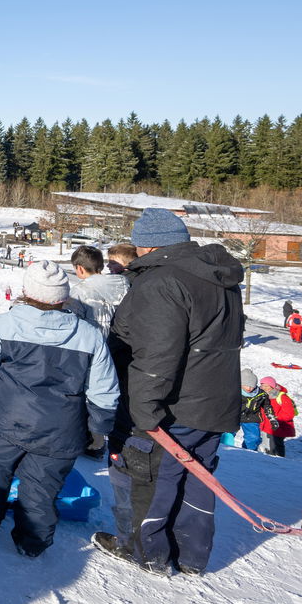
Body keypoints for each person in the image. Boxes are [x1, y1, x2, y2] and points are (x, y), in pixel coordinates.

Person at [94, 208, 242, 577]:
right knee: (198, 478)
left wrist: (143, 410)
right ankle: (191, 556)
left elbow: (156, 355)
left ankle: (149, 553)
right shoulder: (216, 275)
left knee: (152, 478)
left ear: (146, 246)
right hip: (213, 401)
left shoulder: (161, 282)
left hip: (171, 405)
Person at [0, 263, 119, 557]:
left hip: (9, 420)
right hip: (61, 428)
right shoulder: (89, 334)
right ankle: (32, 543)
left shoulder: (6, 324)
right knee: (41, 488)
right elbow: (104, 391)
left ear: (26, 292)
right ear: (63, 298)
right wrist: (99, 428)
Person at [68, 245, 129, 337]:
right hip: (118, 341)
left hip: (90, 341)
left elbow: (71, 321)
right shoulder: (122, 283)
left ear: (80, 268)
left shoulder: (79, 291)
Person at [232, 370, 273, 451]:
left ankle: (248, 451)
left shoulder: (261, 394)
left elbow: (267, 405)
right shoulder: (234, 391)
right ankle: (224, 448)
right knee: (227, 433)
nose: (249, 388)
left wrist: (272, 417)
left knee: (254, 437)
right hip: (234, 416)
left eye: (252, 386)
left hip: (251, 417)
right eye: (246, 385)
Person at [258, 376, 298, 457]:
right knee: (268, 446)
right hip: (266, 426)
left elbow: (289, 414)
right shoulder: (262, 395)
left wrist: (274, 418)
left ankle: (279, 462)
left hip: (279, 427)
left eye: (266, 386)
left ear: (272, 386)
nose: (264, 388)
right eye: (262, 385)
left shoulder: (282, 397)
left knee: (276, 446)